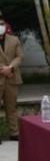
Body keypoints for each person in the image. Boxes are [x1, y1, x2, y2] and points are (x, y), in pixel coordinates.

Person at [0, 13, 23, 141]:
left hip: (11, 78)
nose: (0, 26)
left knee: (12, 107)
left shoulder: (14, 40)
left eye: (2, 24)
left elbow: (20, 57)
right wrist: (3, 69)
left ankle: (14, 133)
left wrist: (10, 68)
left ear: (6, 26)